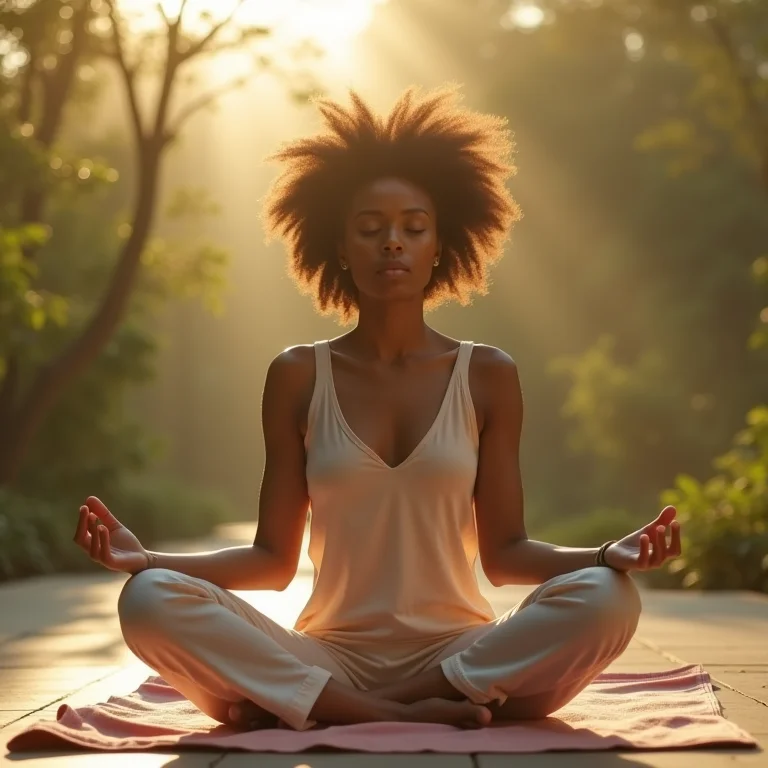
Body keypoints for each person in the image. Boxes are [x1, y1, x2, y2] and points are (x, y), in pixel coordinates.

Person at [73, 85, 682, 733]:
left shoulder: (488, 375)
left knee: (608, 597)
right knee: (147, 600)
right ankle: (387, 709)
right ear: (339, 247)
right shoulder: (298, 375)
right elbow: (272, 562)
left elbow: (505, 553)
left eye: (412, 228)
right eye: (370, 229)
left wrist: (607, 553)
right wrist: (149, 562)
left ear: (440, 245)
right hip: (329, 655)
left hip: (459, 653)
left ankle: (350, 704)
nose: (392, 242)